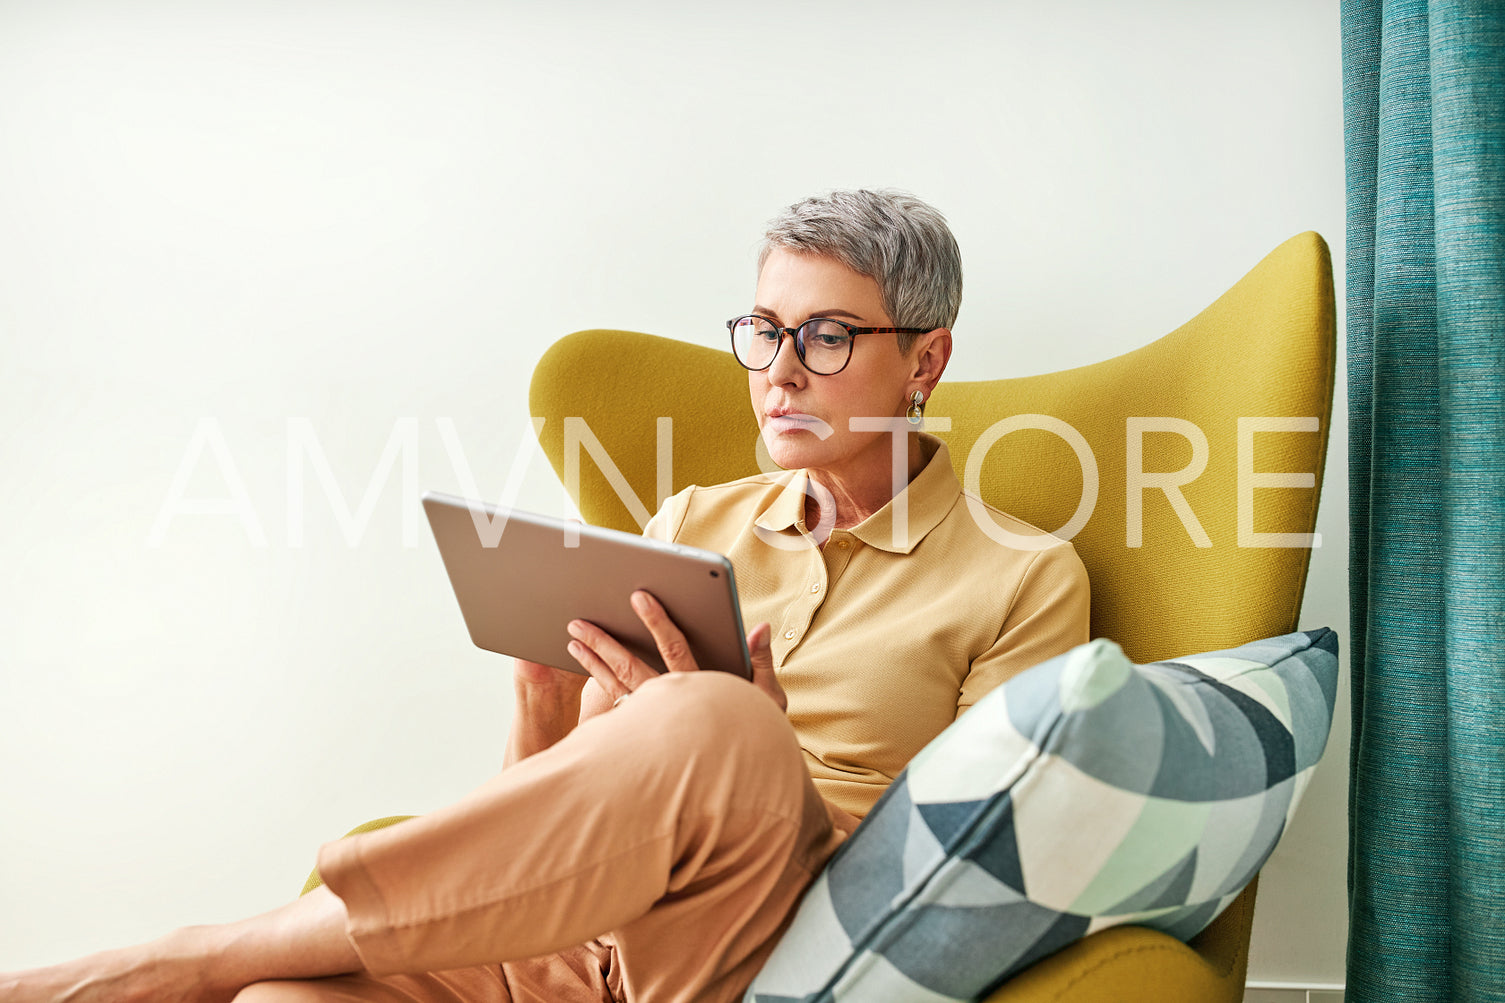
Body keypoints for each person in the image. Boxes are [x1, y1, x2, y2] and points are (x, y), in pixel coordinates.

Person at [0, 190, 1089, 1003]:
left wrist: (757, 747)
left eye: (827, 336)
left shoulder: (1021, 575)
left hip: (771, 938)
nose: (778, 370)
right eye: (763, 329)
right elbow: (566, 814)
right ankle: (236, 969)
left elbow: (984, 858)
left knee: (716, 716)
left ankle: (184, 955)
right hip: (579, 942)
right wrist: (542, 707)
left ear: (924, 360)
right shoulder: (690, 525)